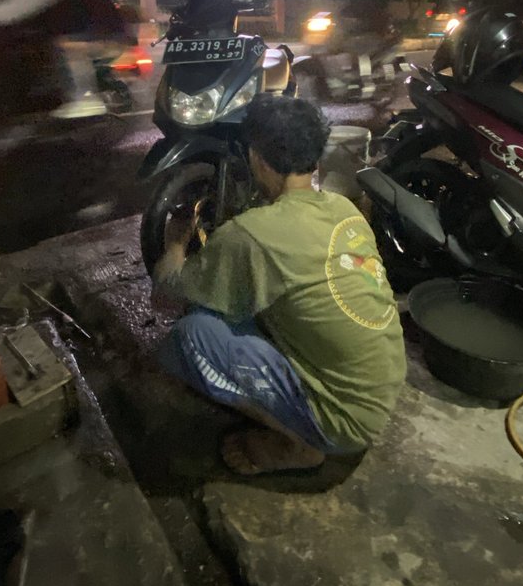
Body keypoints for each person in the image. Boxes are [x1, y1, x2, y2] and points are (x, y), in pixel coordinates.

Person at [154, 95, 406, 475]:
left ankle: (299, 441)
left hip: (343, 422)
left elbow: (166, 294)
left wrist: (175, 245)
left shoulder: (251, 234)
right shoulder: (344, 209)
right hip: (381, 390)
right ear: (315, 157)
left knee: (191, 334)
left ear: (256, 157)